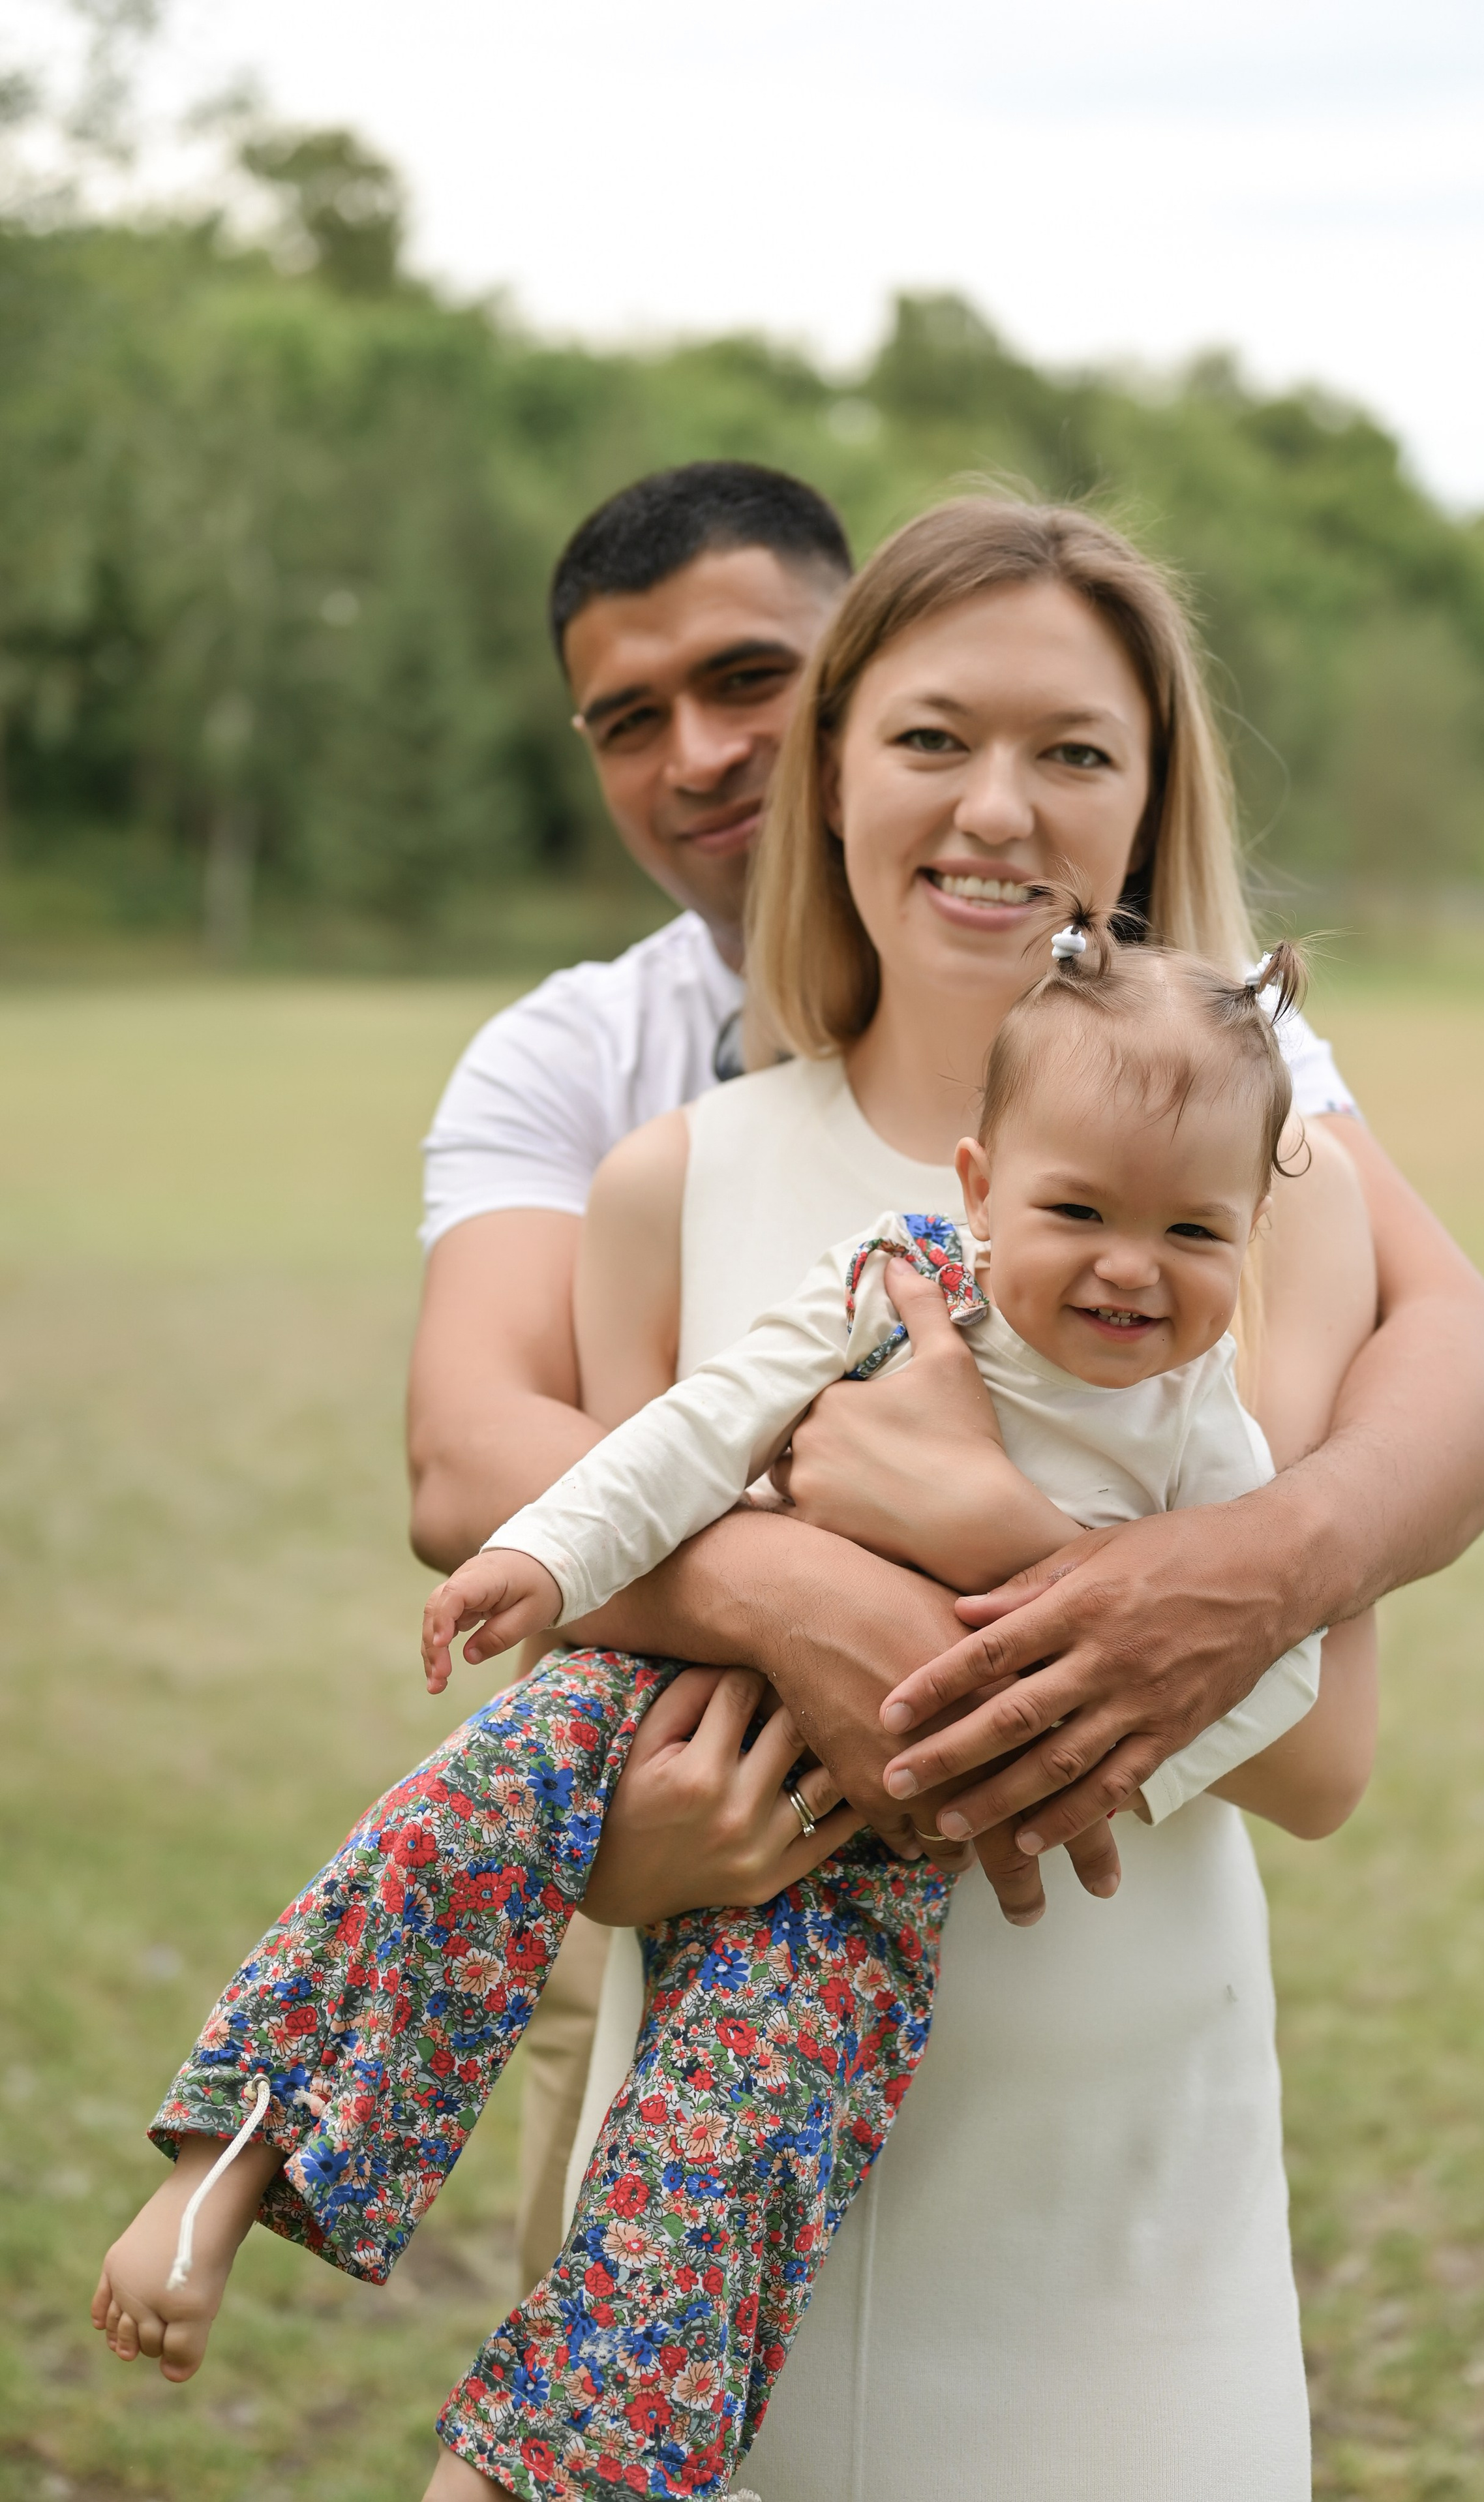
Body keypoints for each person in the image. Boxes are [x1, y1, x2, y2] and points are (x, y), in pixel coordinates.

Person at [96, 495, 1484, 2498]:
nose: (999, 808)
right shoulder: (671, 1178)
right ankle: (248, 2156)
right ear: (833, 765)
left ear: (1152, 794)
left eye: (1078, 750)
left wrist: (984, 1530)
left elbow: (1315, 1752)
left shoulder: (1271, 1193)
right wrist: (620, 1840)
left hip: (1110, 2187)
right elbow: (635, 1620)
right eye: (934, 738)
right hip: (717, 2119)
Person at [91, 924, 1374, 2499]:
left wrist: (1078, 1761)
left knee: (731, 2140)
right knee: (467, 1818)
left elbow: (1272, 1667)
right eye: (1077, 1211)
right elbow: (696, 1432)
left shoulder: (1197, 1432)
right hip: (664, 1702)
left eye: (1190, 1229)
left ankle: (532, 2466)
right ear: (981, 1185)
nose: (1129, 1266)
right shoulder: (897, 1282)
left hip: (875, 1849)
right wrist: (543, 1555)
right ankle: (233, 2157)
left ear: (1249, 1233)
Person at [409, 461, 859, 2288]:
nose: (698, 753)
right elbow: (464, 1461)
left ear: (872, 655)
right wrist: (819, 1599)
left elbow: (1465, 1378)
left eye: (751, 678)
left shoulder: (1121, 1012)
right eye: (628, 719)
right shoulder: (574, 1051)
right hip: (675, 1855)